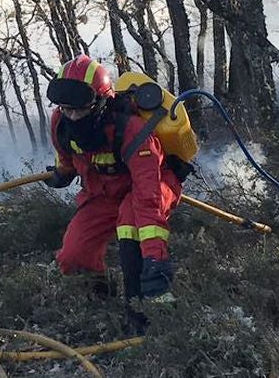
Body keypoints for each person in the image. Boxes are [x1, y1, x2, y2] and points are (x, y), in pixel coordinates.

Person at [42, 54, 182, 332]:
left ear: (100, 103)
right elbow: (67, 157)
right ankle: (104, 295)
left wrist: (155, 256)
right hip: (103, 194)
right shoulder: (61, 123)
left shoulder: (132, 129)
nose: (72, 116)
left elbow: (148, 196)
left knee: (132, 227)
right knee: (72, 256)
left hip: (150, 186)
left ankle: (143, 314)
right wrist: (62, 173)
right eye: (66, 108)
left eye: (79, 110)